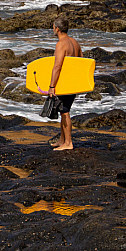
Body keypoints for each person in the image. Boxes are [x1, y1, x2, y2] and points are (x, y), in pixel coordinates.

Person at [47, 16, 81, 151]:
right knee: (63, 110)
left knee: (65, 111)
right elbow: (81, 62)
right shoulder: (75, 42)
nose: (52, 29)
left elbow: (57, 67)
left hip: (64, 82)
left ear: (57, 28)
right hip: (72, 81)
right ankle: (62, 140)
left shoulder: (61, 44)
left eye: (53, 27)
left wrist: (51, 86)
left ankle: (68, 143)